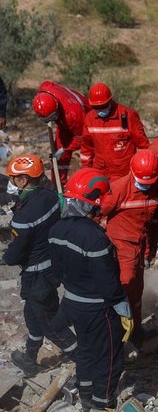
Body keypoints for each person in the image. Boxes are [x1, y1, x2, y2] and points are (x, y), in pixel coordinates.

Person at [48, 168, 133, 411]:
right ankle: (102, 403)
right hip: (97, 309)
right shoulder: (95, 238)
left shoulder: (57, 230)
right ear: (93, 203)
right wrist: (121, 304)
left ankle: (85, 395)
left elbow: (57, 271)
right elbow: (107, 282)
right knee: (109, 357)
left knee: (85, 350)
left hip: (72, 303)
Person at [4, 155, 77, 377]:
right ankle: (30, 357)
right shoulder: (51, 196)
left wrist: (5, 257)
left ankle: (85, 360)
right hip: (51, 268)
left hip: (37, 277)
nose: (11, 181)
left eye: (13, 178)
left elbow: (15, 254)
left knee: (52, 325)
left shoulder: (24, 215)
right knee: (32, 316)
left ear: (24, 180)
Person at [98, 149, 158, 332]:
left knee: (137, 290)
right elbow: (96, 214)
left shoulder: (155, 189)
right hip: (120, 245)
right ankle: (117, 329)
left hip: (140, 245)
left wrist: (150, 250)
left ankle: (134, 328)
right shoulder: (119, 189)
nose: (145, 186)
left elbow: (153, 224)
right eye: (142, 182)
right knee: (125, 286)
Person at [80, 82, 150, 181]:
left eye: (103, 106)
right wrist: (86, 171)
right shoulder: (90, 118)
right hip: (100, 173)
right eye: (96, 107)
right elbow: (86, 148)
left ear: (110, 101)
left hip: (124, 174)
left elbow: (143, 145)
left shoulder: (128, 115)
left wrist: (144, 169)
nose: (100, 110)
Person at [31, 80, 90, 183]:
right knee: (58, 156)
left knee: (85, 156)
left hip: (86, 122)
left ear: (57, 107)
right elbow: (46, 83)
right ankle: (57, 184)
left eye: (53, 117)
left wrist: (65, 149)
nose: (51, 120)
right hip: (63, 121)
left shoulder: (73, 115)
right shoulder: (46, 89)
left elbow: (81, 138)